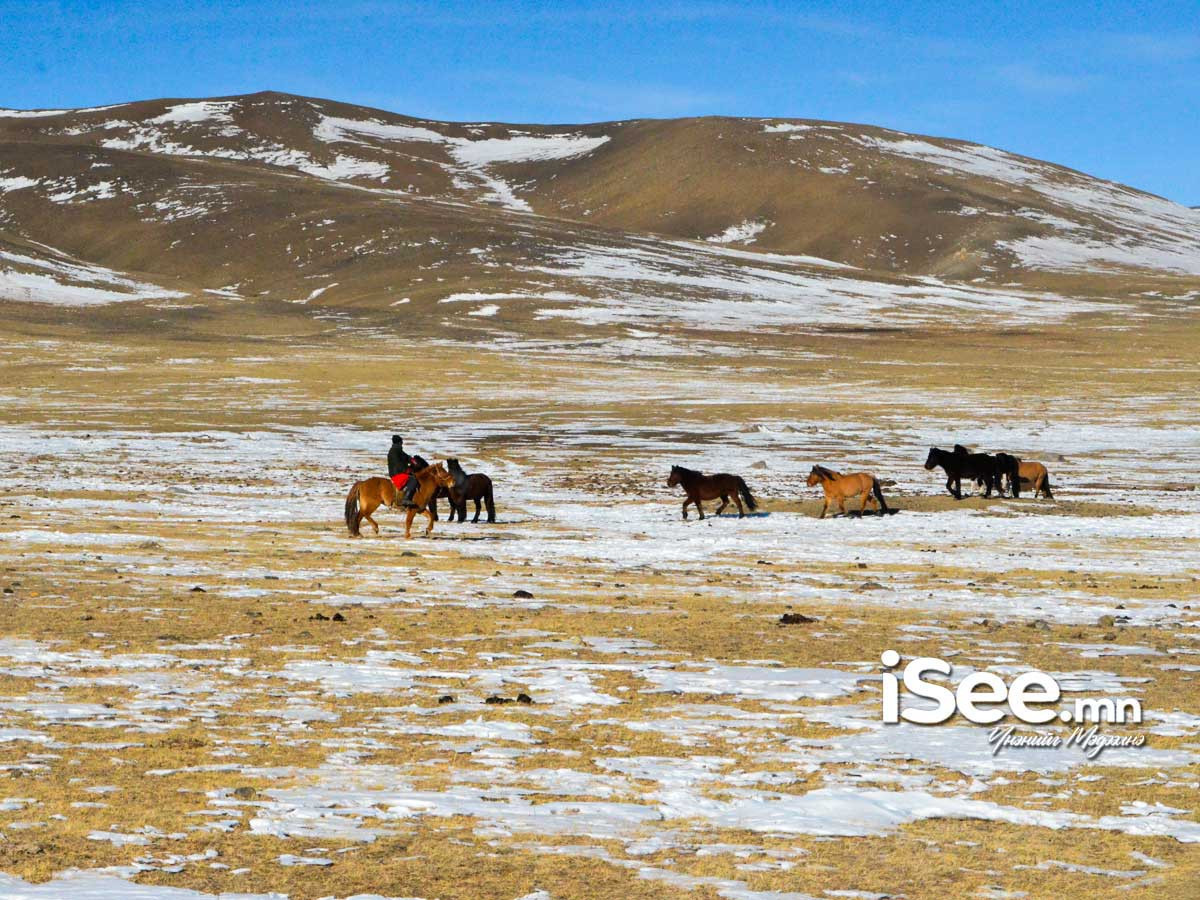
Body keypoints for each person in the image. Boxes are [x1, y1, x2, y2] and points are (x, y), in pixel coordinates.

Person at [387, 435, 420, 507]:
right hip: (396, 474)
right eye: (401, 442)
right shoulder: (394, 452)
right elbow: (398, 464)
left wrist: (412, 460)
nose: (402, 443)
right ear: (399, 442)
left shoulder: (398, 450)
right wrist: (407, 470)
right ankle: (406, 499)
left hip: (399, 472)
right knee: (413, 480)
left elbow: (406, 456)